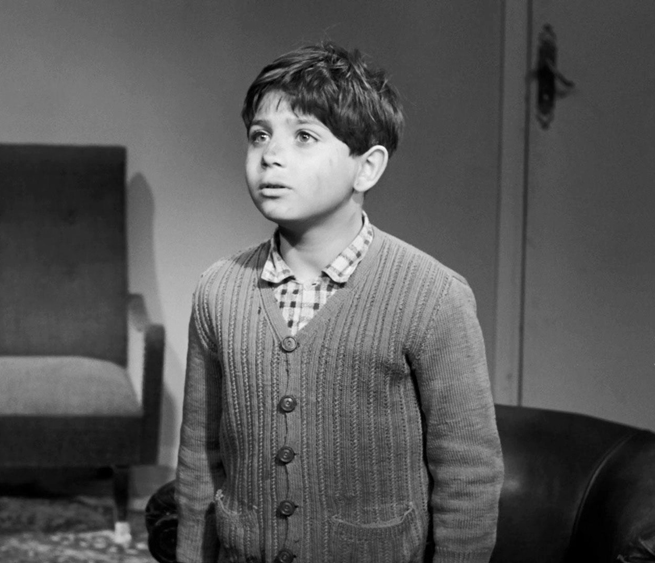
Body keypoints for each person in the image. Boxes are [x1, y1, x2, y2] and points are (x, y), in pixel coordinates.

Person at [175, 42, 504, 563]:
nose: (270, 155)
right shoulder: (218, 290)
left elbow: (468, 472)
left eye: (304, 136)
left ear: (367, 168)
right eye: (260, 135)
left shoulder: (434, 296)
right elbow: (200, 458)